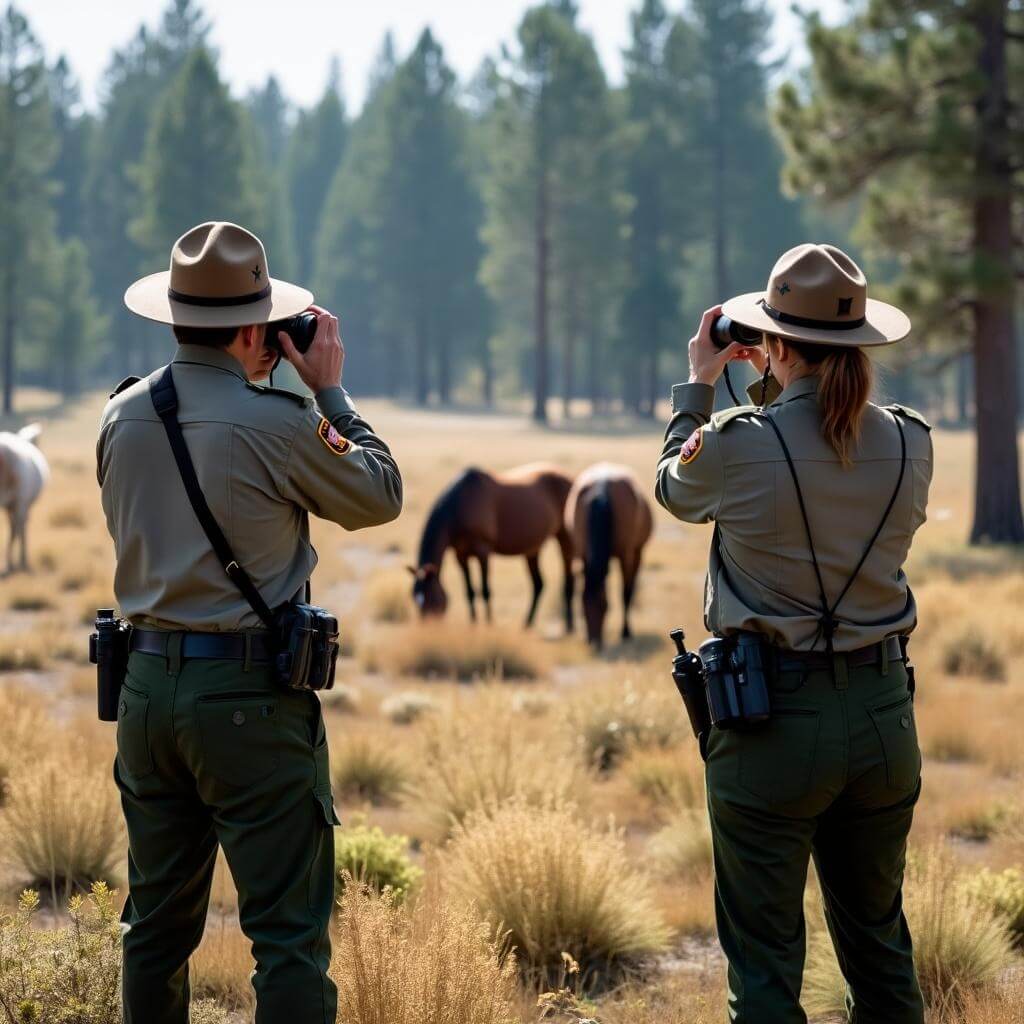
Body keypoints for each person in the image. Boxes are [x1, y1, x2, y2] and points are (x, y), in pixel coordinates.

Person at [97, 221, 402, 1024]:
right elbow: (378, 496)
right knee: (287, 935)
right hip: (248, 704)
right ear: (250, 328)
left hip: (144, 688)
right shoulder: (278, 421)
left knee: (153, 930)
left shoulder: (121, 415)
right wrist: (327, 390)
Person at [656, 243, 932, 1024]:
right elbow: (823, 435)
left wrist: (701, 383)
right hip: (883, 719)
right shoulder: (914, 441)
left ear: (774, 344)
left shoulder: (740, 443)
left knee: (767, 963)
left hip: (771, 724)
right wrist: (776, 381)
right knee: (880, 949)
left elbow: (675, 487)